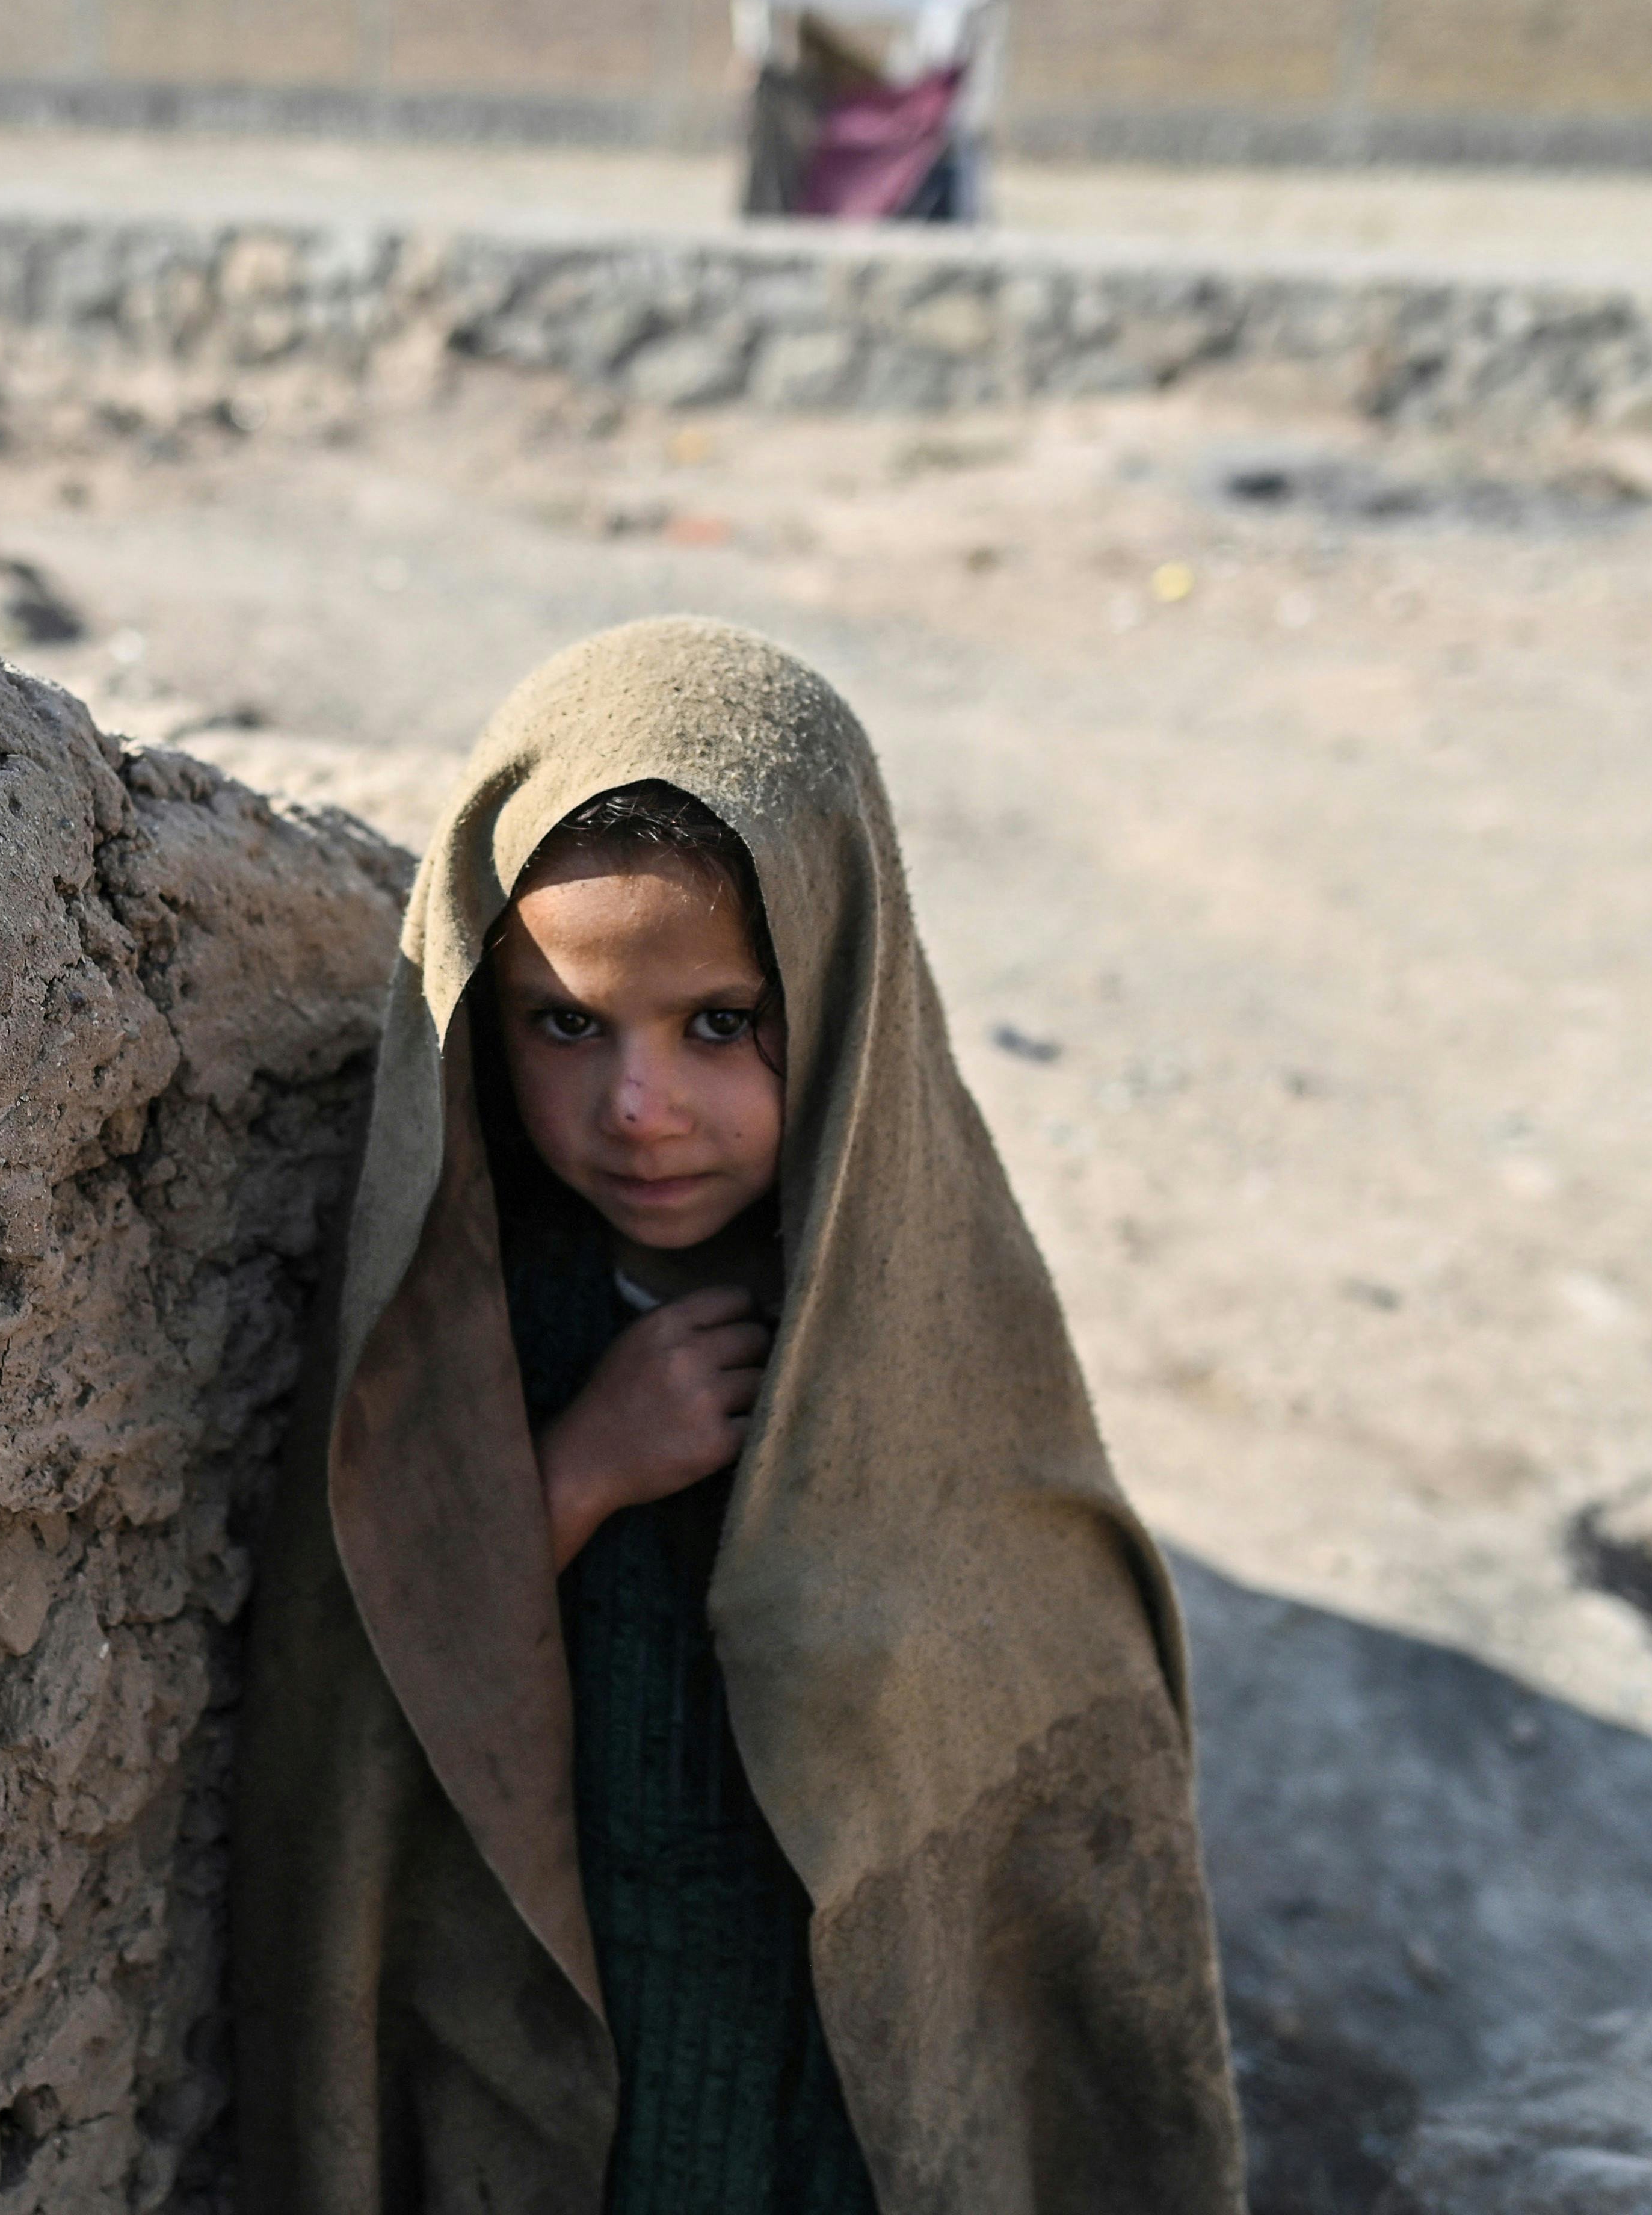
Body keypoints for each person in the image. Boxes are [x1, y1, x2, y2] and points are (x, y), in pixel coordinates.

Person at [234, 619, 1244, 2215]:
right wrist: (571, 1477)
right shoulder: (458, 1322)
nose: (641, 1109)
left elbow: (1047, 1778)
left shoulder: (927, 1335)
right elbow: (351, 1725)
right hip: (562, 2072)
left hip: (826, 2097)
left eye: (720, 1023)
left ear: (839, 999)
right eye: (568, 1024)